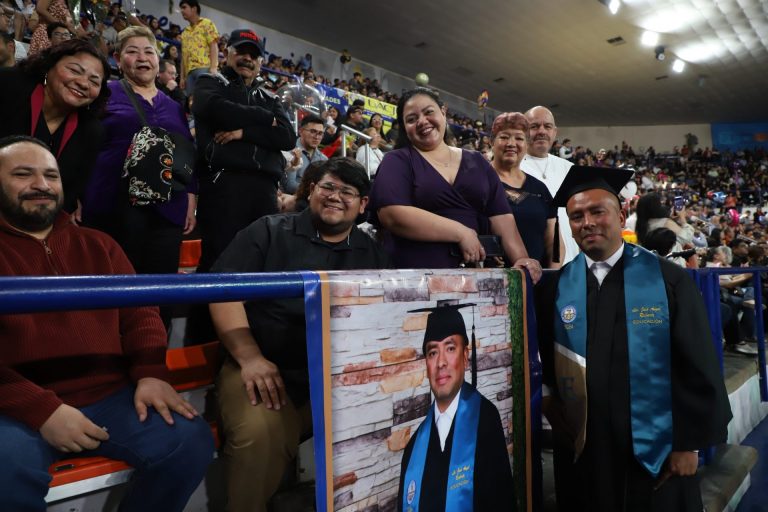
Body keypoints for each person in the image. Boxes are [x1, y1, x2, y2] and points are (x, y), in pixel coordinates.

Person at [0, 135, 214, 512]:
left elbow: (140, 314)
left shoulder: (100, 244)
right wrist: (40, 409)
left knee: (188, 440)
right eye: (23, 174)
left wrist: (150, 374)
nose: (41, 185)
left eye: (51, 175)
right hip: (14, 405)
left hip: (110, 396)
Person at [535, 165, 732, 512]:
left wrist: (688, 444)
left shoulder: (668, 280)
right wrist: (550, 401)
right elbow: (548, 357)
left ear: (621, 216)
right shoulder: (558, 287)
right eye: (577, 216)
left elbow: (697, 362)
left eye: (598, 211)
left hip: (657, 450)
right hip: (585, 447)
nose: (587, 222)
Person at [209, 158, 390, 512]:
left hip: (333, 380)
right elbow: (222, 291)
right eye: (328, 187)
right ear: (310, 190)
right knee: (261, 434)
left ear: (363, 204)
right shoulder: (269, 230)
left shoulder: (373, 254)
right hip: (261, 367)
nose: (335, 197)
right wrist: (250, 358)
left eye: (347, 192)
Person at [81, 26, 196, 327]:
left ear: (158, 60)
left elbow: (187, 153)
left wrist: (191, 196)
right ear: (119, 60)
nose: (142, 58)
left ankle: (154, 350)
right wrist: (76, 194)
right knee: (114, 292)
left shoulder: (174, 106)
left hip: (167, 212)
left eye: (149, 52)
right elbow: (82, 144)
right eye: (132, 51)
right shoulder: (104, 94)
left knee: (160, 294)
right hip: (112, 207)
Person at [367, 87, 541, 280]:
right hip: (415, 279)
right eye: (411, 119)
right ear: (404, 128)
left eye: (428, 112)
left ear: (443, 112)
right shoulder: (397, 160)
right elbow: (392, 215)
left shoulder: (478, 161)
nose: (422, 121)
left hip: (475, 278)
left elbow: (502, 219)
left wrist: (522, 259)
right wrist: (461, 232)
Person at [192, 28, 296, 275]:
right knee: (218, 262)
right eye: (241, 51)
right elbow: (217, 109)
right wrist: (264, 118)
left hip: (264, 190)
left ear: (260, 62)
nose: (247, 58)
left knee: (260, 262)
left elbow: (287, 137)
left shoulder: (270, 97)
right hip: (223, 184)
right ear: (227, 53)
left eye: (253, 55)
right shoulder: (210, 82)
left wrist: (243, 133)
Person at [397, 304, 514, 511]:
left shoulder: (485, 423)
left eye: (450, 348)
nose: (441, 362)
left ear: (465, 356)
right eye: (433, 352)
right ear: (427, 365)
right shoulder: (413, 449)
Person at [0, 38, 108, 214]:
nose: (83, 83)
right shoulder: (7, 85)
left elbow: (69, 193)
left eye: (94, 82)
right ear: (48, 66)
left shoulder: (92, 131)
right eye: (74, 70)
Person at [491, 112, 562, 268]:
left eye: (519, 138)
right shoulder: (478, 181)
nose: (511, 143)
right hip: (490, 277)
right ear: (492, 142)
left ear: (526, 145)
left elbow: (553, 242)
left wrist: (553, 275)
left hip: (536, 278)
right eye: (504, 137)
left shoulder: (540, 189)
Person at [520, 106, 580, 263]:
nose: (541, 131)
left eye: (547, 126)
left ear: (554, 132)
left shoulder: (569, 169)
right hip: (532, 265)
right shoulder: (512, 169)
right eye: (534, 126)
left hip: (573, 263)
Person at [280, 113, 328, 194]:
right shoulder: (289, 150)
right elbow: (290, 186)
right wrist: (317, 192)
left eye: (320, 133)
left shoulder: (324, 159)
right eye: (313, 131)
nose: (316, 137)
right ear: (301, 131)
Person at [178, 0, 218, 94]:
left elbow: (213, 46)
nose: (181, 11)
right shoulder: (184, 32)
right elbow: (183, 57)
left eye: (184, 7)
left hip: (204, 69)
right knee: (190, 101)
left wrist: (213, 68)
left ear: (194, 9)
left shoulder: (207, 23)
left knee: (204, 98)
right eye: (181, 8)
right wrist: (182, 77)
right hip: (189, 74)